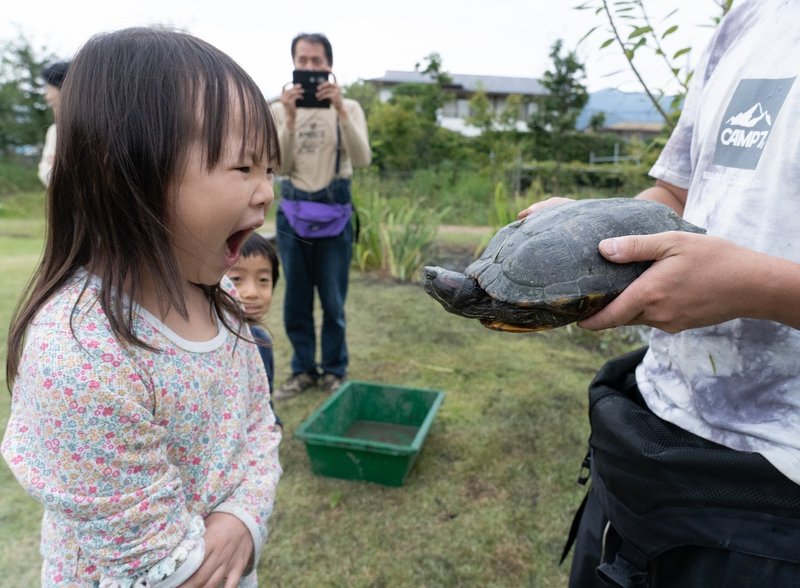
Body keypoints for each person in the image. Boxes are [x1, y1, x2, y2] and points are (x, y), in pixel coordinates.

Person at [517, 1, 800, 585]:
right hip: (650, 430)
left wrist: (756, 288)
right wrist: (585, 230)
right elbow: (675, 195)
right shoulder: (750, 16)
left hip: (778, 498)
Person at [1, 27, 282, 587]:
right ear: (125, 171)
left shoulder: (220, 296)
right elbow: (157, 567)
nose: (266, 192)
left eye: (268, 170)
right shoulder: (79, 359)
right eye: (243, 167)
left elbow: (259, 424)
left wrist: (242, 519)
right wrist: (226, 541)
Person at [270, 32, 372, 399]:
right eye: (303, 61)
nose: (310, 68)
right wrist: (291, 120)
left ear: (329, 65)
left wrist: (342, 111)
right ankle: (302, 371)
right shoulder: (278, 109)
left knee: (333, 300)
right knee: (295, 299)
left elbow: (362, 159)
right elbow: (277, 166)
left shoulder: (352, 108)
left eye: (317, 62)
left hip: (336, 214)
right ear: (294, 64)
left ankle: (333, 370)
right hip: (292, 213)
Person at [226, 232, 283, 427]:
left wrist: (274, 423)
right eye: (236, 278)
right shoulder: (202, 346)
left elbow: (264, 398)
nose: (251, 293)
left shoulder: (261, 341)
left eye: (263, 280)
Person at [37, 60, 70, 187]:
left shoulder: (94, 129)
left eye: (49, 88)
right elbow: (43, 172)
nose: (47, 96)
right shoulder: (54, 132)